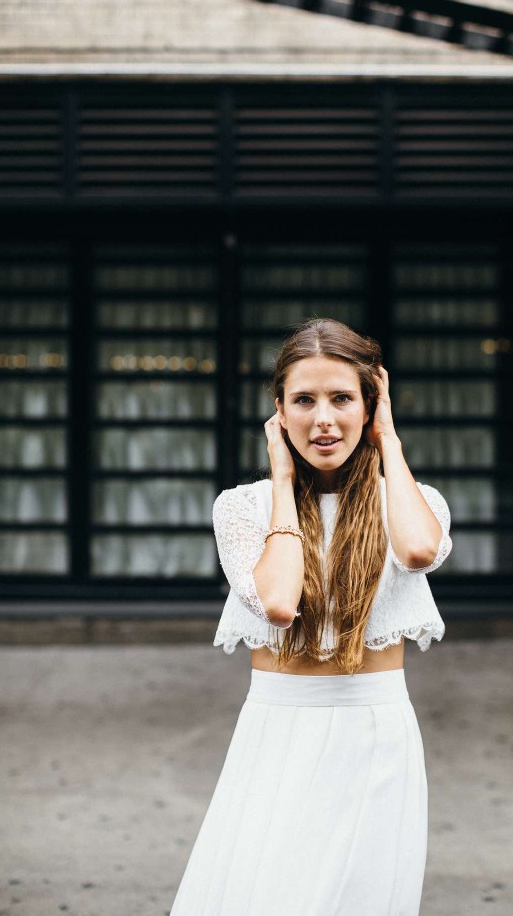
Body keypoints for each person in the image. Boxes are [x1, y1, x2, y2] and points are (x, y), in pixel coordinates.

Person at [169, 317, 452, 916]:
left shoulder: (412, 501)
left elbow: (419, 551)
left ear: (371, 407)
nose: (324, 419)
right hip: (277, 731)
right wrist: (281, 479)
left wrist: (390, 444)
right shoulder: (243, 508)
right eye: (304, 400)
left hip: (376, 735)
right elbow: (278, 601)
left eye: (343, 399)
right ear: (279, 411)